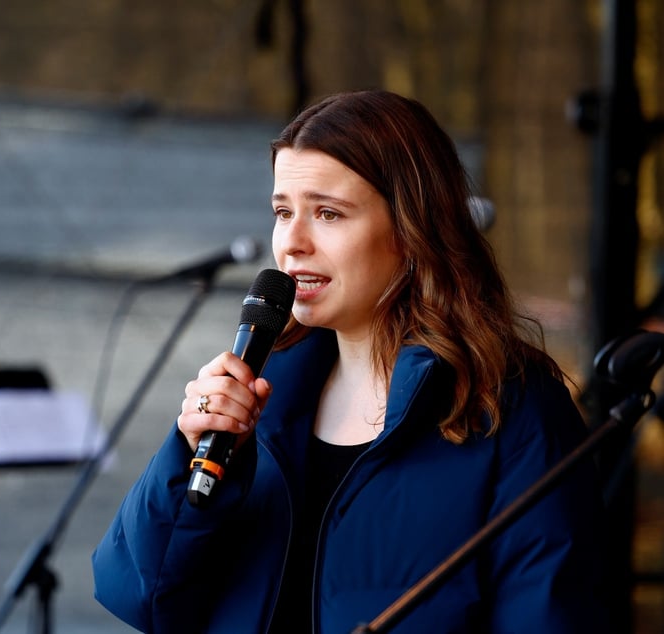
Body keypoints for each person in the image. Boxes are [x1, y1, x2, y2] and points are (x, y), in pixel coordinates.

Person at [91, 90, 608, 633]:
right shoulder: (261, 396)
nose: (292, 243)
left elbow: (552, 614)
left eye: (328, 214)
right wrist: (191, 455)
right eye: (283, 212)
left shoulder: (512, 412)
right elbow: (140, 597)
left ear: (412, 232)